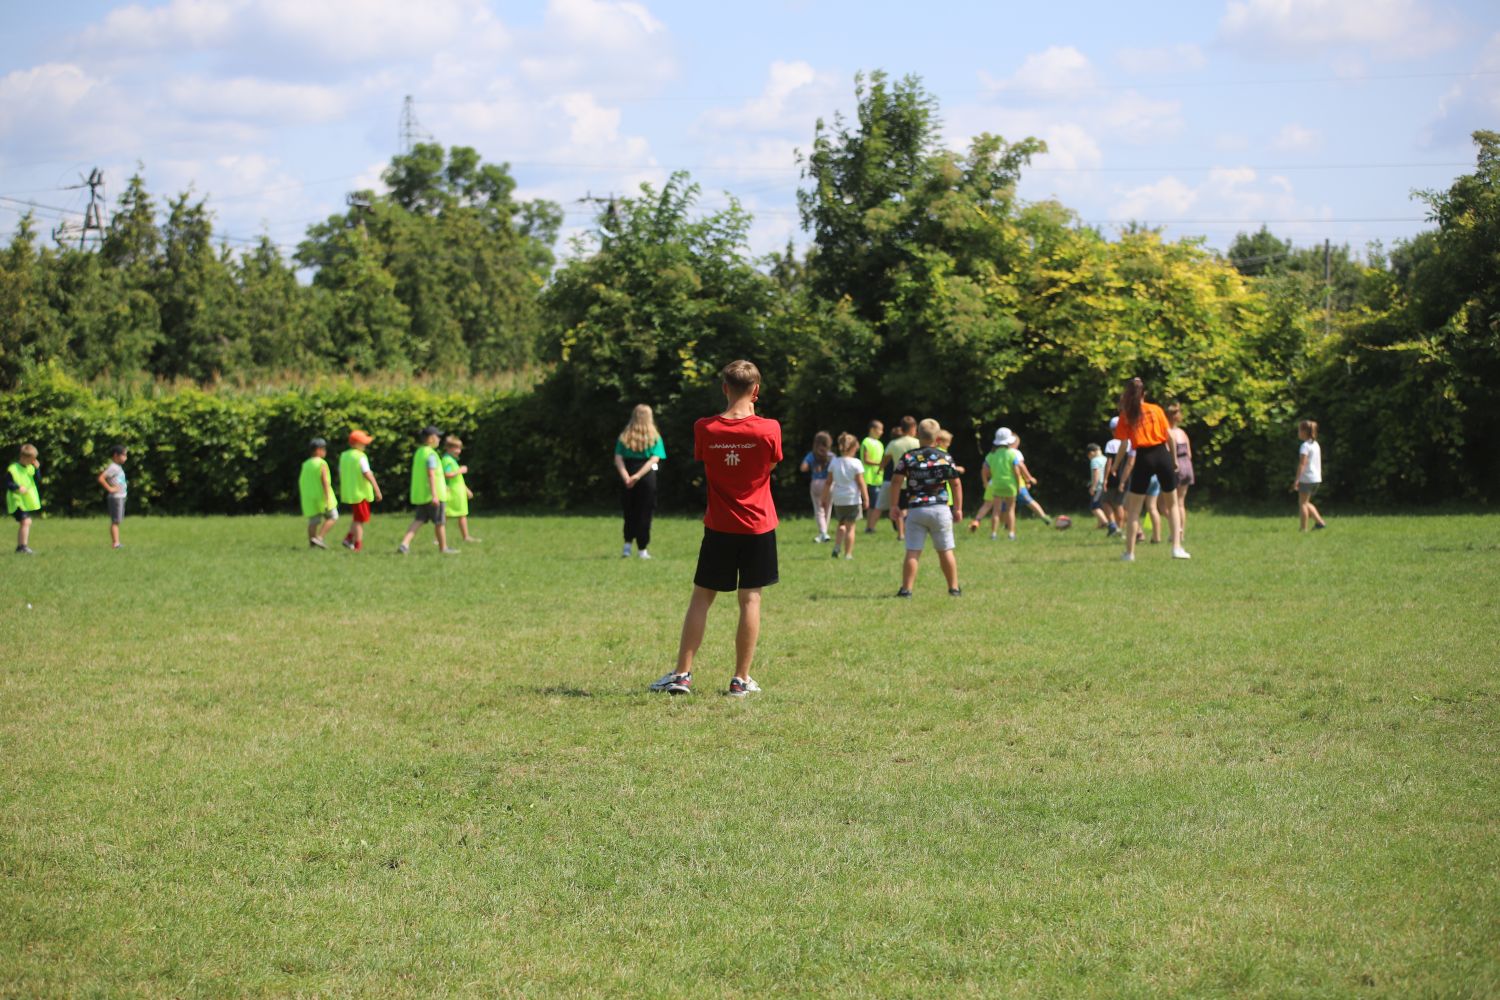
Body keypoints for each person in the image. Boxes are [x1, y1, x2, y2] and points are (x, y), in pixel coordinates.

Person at [651, 360, 781, 698]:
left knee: (702, 597)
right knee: (750, 599)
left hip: (720, 526)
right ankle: (741, 679)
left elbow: (711, 464)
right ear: (756, 390)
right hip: (758, 525)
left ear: (724, 388)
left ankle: (682, 674)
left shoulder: (705, 428)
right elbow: (768, 466)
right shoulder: (769, 429)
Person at [1113, 377, 1189, 562]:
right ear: (1144, 394)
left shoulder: (1126, 415)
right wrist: (1173, 461)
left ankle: (1129, 553)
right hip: (1161, 454)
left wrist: (1115, 465)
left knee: (1134, 510)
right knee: (1172, 505)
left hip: (1143, 458)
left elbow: (1123, 444)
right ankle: (1176, 548)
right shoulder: (1155, 410)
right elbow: (1169, 437)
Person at [891, 418, 963, 598]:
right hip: (940, 509)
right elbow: (955, 484)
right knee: (945, 550)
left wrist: (893, 505)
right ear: (938, 437)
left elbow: (896, 481)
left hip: (916, 508)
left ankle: (906, 589)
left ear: (916, 434)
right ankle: (953, 588)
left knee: (913, 551)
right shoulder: (945, 457)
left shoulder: (908, 457)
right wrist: (958, 508)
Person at [614, 404, 666, 559]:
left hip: (628, 474)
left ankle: (627, 546)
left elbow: (618, 458)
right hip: (646, 476)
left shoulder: (625, 436)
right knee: (645, 512)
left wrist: (627, 476)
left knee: (629, 511)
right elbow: (654, 459)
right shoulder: (654, 437)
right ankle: (642, 549)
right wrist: (638, 476)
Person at [396, 426, 456, 556]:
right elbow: (431, 474)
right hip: (434, 495)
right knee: (440, 522)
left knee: (419, 520)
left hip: (422, 495)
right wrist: (435, 495)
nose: (439, 439)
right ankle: (443, 548)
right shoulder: (431, 455)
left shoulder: (419, 452)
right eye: (438, 436)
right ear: (431, 438)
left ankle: (404, 544)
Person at [967, 427, 1020, 539]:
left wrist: (985, 482)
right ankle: (1011, 533)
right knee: (1011, 509)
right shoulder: (1012, 454)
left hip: (996, 484)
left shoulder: (991, 455)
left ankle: (993, 534)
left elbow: (984, 470)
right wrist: (1018, 485)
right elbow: (1017, 472)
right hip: (1010, 485)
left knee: (996, 510)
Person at [338, 429, 383, 552]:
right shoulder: (361, 457)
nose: (365, 445)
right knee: (360, 520)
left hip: (350, 492)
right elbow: (367, 473)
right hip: (360, 493)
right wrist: (377, 490)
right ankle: (357, 545)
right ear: (357, 444)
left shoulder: (344, 456)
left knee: (358, 518)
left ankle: (348, 538)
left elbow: (340, 472)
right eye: (363, 443)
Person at [828, 432, 870, 560]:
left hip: (838, 499)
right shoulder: (856, 462)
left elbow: (828, 481)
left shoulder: (834, 462)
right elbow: (861, 482)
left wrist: (824, 498)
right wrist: (866, 498)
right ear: (853, 447)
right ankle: (848, 554)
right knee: (850, 528)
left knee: (841, 524)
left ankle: (836, 547)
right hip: (852, 499)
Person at [879, 417, 920, 540]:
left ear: (902, 428)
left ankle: (901, 533)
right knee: (913, 507)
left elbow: (885, 460)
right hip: (915, 480)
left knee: (900, 507)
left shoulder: (894, 443)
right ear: (913, 428)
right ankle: (913, 531)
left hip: (899, 481)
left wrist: (880, 468)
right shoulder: (917, 443)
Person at [298, 438, 339, 550]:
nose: (325, 451)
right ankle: (319, 538)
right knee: (333, 516)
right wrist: (327, 497)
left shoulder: (306, 464)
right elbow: (325, 481)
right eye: (324, 449)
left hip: (310, 498)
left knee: (313, 521)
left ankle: (312, 544)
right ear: (318, 450)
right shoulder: (321, 463)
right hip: (322, 496)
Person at [1166, 402, 1194, 542]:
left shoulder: (1168, 433)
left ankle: (1175, 533)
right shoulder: (1183, 432)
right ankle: (1181, 532)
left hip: (1175, 467)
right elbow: (1189, 453)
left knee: (1172, 504)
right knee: (1181, 502)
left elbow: (1167, 452)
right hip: (1187, 466)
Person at [1293, 419, 1327, 531]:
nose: (1298, 432)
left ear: (1304, 431)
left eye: (1299, 430)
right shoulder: (1315, 444)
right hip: (1316, 478)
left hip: (1307, 478)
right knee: (1306, 502)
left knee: (1302, 503)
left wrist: (1297, 479)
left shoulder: (1305, 446)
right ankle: (1319, 522)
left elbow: (1302, 463)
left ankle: (1303, 528)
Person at [442, 436, 478, 543]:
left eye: (459, 448)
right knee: (447, 515)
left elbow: (458, 479)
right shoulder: (447, 460)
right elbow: (446, 474)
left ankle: (466, 536)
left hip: (458, 493)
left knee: (461, 514)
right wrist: (460, 470)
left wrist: (466, 490)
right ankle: (438, 538)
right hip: (452, 493)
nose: (459, 451)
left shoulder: (452, 460)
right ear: (448, 448)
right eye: (456, 448)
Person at [1011, 434, 1053, 525]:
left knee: (1005, 505)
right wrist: (1029, 478)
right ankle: (1044, 517)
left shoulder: (1001, 453)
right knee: (1029, 500)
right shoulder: (1015, 452)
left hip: (1004, 484)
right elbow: (1021, 466)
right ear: (1015, 443)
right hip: (1018, 483)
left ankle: (1006, 524)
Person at [799, 431, 834, 543]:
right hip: (829, 484)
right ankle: (824, 533)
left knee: (819, 510)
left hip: (816, 483)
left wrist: (812, 467)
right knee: (828, 509)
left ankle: (823, 533)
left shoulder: (811, 455)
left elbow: (803, 468)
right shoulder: (831, 456)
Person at [7, 443, 41, 555]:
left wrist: (37, 469)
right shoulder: (13, 469)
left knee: (25, 522)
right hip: (16, 500)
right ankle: (22, 547)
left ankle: (21, 547)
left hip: (25, 500)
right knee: (26, 521)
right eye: (32, 459)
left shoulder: (30, 468)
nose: (33, 461)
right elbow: (8, 483)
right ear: (23, 457)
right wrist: (17, 487)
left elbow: (37, 480)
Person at [97, 444, 129, 549]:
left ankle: (117, 542)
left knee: (118, 520)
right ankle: (116, 543)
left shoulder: (117, 467)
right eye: (123, 455)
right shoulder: (113, 467)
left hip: (120, 497)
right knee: (116, 521)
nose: (125, 458)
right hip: (116, 497)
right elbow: (101, 478)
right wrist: (110, 489)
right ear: (116, 455)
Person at [860, 420, 885, 534]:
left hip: (878, 477)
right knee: (872, 504)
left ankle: (870, 526)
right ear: (872, 429)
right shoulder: (866, 441)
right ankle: (869, 527)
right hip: (868, 477)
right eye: (879, 429)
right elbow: (866, 459)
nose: (881, 432)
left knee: (875, 504)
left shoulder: (880, 444)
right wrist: (880, 464)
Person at [1087, 443, 1110, 529]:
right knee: (1101, 506)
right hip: (1106, 485)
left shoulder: (1095, 460)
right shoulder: (1105, 459)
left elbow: (1096, 473)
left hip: (1099, 486)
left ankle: (1106, 523)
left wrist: (1093, 486)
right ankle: (1100, 525)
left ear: (1092, 453)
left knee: (1094, 506)